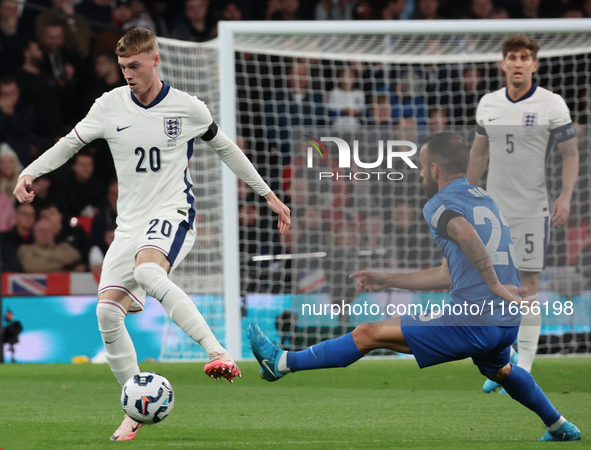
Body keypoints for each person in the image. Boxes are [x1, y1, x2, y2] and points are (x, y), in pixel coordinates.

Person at [14, 27, 290, 441]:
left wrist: (267, 194)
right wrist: (30, 170)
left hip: (173, 213)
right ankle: (135, 409)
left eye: (135, 66)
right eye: (123, 67)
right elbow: (68, 144)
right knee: (106, 314)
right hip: (129, 225)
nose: (128, 73)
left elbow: (226, 148)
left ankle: (218, 353)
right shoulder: (109, 106)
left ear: (155, 60)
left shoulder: (187, 108)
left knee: (147, 273)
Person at [248, 132, 581, 442]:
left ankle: (281, 363)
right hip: (504, 322)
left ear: (434, 168)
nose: (421, 174)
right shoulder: (484, 199)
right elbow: (448, 275)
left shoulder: (438, 204)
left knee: (368, 333)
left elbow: (466, 234)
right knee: (501, 370)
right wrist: (386, 279)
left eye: (422, 167)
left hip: (474, 319)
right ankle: (559, 426)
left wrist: (494, 284)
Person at [467, 34, 579, 393]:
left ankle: (524, 367)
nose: (517, 63)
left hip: (533, 209)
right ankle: (504, 361)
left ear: (535, 64)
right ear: (503, 63)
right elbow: (478, 156)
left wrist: (565, 195)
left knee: (528, 287)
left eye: (524, 57)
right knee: (492, 287)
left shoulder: (551, 104)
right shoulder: (488, 103)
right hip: (494, 211)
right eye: (512, 57)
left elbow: (571, 154)